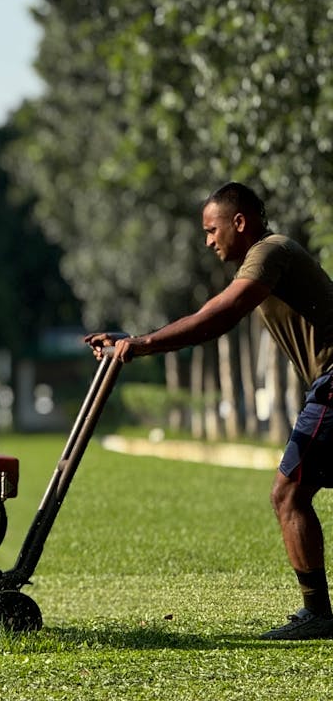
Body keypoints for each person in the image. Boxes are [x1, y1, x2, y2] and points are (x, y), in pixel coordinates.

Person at [87, 181, 333, 640]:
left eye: (211, 229)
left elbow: (216, 318)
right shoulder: (268, 256)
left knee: (288, 494)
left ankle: (318, 613)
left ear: (239, 222)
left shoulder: (269, 251)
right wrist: (131, 337)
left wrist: (140, 345)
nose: (208, 240)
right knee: (293, 493)